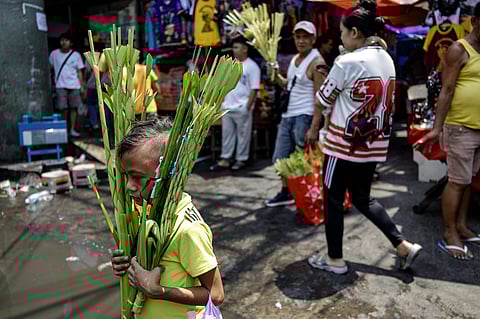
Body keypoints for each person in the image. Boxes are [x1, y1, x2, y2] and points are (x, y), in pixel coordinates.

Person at [308, 0, 422, 274]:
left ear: (355, 33)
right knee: (363, 198)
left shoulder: (346, 61)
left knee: (333, 199)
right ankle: (402, 245)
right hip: (372, 145)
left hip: (342, 145)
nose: (342, 38)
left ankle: (335, 260)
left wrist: (328, 73)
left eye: (343, 33)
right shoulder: (387, 59)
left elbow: (323, 99)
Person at [111, 119, 224, 318]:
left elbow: (216, 294)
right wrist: (125, 262)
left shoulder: (188, 228)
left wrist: (159, 291)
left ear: (168, 172)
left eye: (137, 176)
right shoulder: (143, 212)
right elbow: (141, 266)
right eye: (125, 176)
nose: (129, 186)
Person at [414, 3, 480, 260]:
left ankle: (462, 226)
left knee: (467, 183)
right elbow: (447, 90)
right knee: (457, 181)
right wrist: (437, 128)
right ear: (474, 21)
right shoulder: (458, 49)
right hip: (460, 127)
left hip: (477, 129)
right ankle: (449, 233)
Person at [265, 21, 328, 207]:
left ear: (313, 39)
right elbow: (288, 85)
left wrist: (315, 127)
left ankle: (309, 195)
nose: (301, 41)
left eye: (305, 37)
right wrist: (276, 75)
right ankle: (287, 191)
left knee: (305, 161)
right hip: (288, 116)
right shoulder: (294, 60)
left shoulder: (317, 63)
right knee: (280, 158)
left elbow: (320, 98)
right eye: (298, 37)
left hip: (305, 117)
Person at [211, 36, 260, 171]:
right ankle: (226, 158)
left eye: (237, 47)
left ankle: (241, 159)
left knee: (243, 134)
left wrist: (247, 106)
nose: (234, 50)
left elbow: (254, 88)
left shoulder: (252, 66)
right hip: (227, 106)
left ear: (245, 49)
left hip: (242, 106)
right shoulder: (230, 65)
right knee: (227, 134)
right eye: (233, 47)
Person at [49, 32, 85, 137]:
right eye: (62, 40)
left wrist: (82, 86)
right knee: (62, 108)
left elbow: (79, 72)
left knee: (74, 108)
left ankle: (72, 129)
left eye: (66, 40)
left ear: (71, 43)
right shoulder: (54, 54)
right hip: (60, 86)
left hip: (74, 85)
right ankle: (63, 130)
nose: (64, 42)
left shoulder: (76, 55)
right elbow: (50, 69)